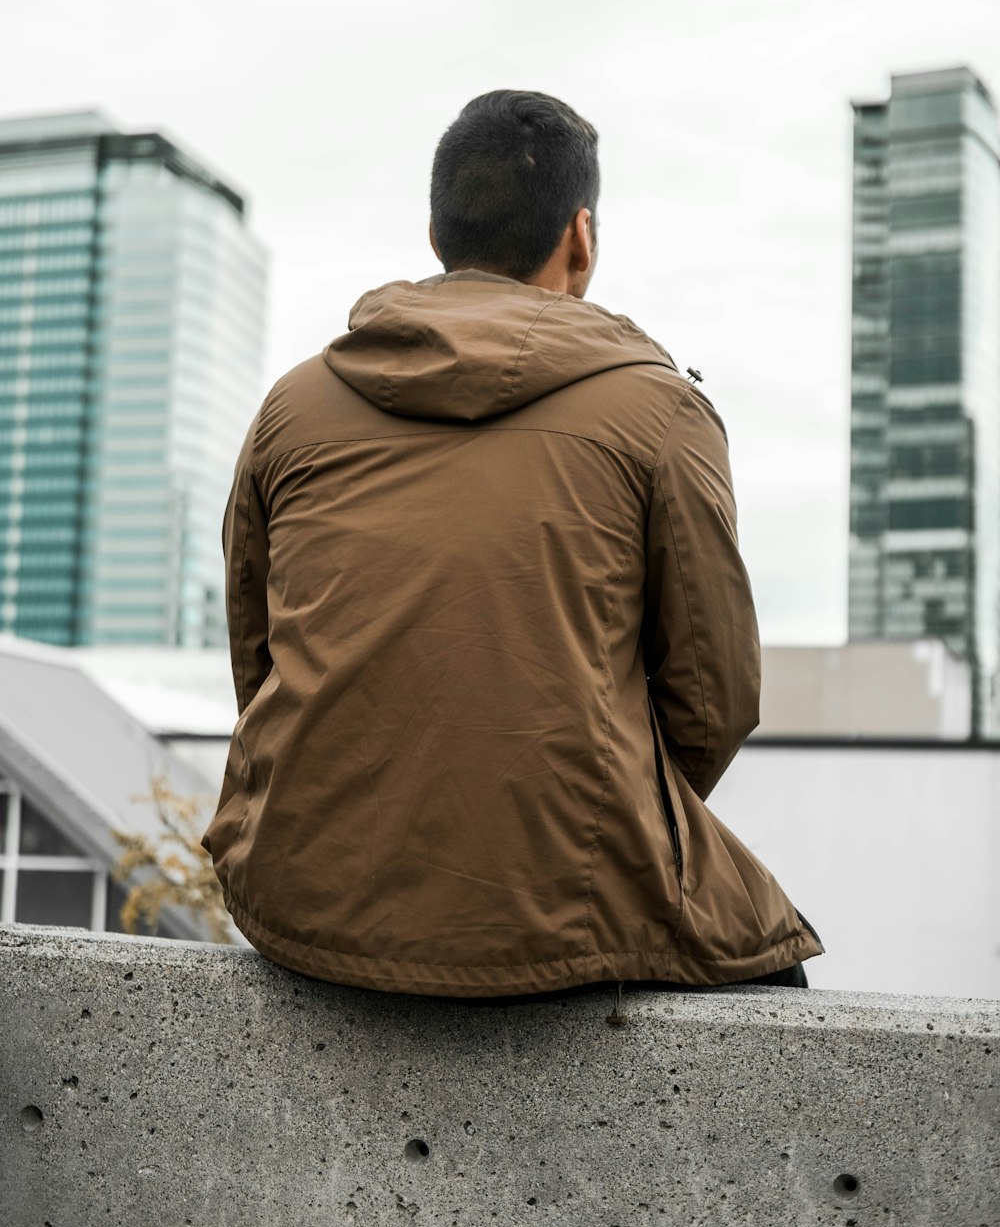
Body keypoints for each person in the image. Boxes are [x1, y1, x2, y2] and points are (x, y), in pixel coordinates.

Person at [202, 89, 822, 999]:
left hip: (302, 897)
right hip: (564, 904)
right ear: (581, 237)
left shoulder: (291, 406)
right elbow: (714, 699)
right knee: (777, 989)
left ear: (436, 233)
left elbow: (257, 659)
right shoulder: (663, 414)